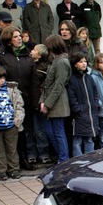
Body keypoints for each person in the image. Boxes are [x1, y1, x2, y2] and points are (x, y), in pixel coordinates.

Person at [0, 26, 36, 171]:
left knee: (23, 131)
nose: (19, 38)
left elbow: (33, 80)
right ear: (8, 39)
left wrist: (34, 100)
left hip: (24, 100)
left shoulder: (26, 55)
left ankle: (23, 160)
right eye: (15, 36)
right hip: (4, 101)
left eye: (20, 36)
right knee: (7, 135)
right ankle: (6, 166)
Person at [0, 65, 24, 181]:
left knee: (12, 149)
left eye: (3, 78)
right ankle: (0, 171)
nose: (2, 80)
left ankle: (14, 169)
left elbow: (19, 105)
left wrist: (17, 121)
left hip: (11, 125)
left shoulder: (11, 89)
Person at [40, 34, 72, 163]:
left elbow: (59, 85)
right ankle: (61, 156)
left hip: (58, 103)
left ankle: (63, 159)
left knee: (58, 132)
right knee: (50, 132)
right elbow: (48, 84)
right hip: (51, 100)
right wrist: (43, 101)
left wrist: (47, 104)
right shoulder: (55, 61)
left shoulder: (62, 62)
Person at [67, 52, 98, 157]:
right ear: (75, 64)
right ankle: (78, 160)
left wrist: (95, 104)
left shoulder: (89, 78)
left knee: (89, 139)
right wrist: (77, 109)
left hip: (90, 113)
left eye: (85, 61)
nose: (84, 64)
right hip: (80, 114)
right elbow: (72, 96)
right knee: (77, 139)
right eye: (81, 62)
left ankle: (89, 159)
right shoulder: (73, 79)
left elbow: (95, 93)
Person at [29, 44, 52, 164]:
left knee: (40, 129)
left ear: (40, 54)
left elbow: (43, 86)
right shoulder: (29, 64)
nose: (31, 52)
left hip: (39, 102)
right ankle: (32, 153)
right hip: (30, 101)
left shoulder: (44, 68)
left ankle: (43, 152)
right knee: (30, 129)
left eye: (34, 50)